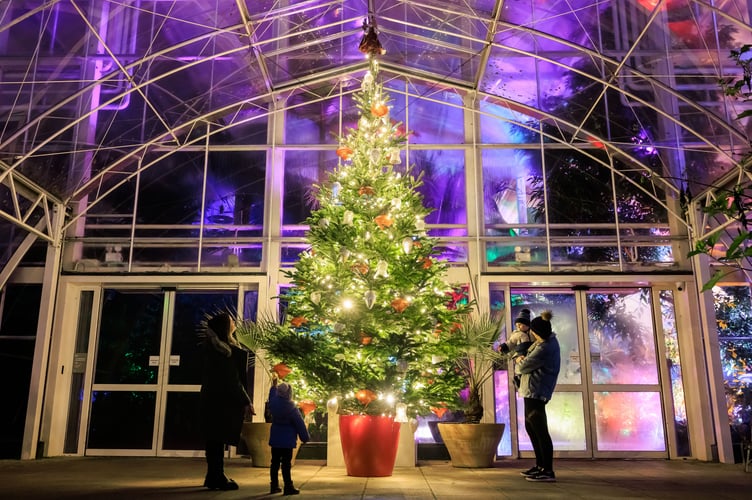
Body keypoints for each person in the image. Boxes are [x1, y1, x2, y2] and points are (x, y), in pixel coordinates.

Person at [200, 312, 253, 491]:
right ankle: (216, 476)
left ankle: (214, 475)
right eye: (231, 321)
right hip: (220, 404)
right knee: (216, 439)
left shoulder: (215, 349)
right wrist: (246, 400)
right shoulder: (223, 352)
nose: (234, 323)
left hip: (214, 402)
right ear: (224, 327)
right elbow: (232, 380)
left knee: (214, 440)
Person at [516, 310, 560, 482]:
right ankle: (540, 465)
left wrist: (520, 360)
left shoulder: (544, 347)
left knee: (539, 429)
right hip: (532, 390)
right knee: (531, 427)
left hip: (536, 391)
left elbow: (524, 366)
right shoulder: (546, 342)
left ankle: (547, 470)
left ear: (536, 332)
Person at [268, 379, 310, 495]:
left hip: (275, 439)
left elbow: (271, 396)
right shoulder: (292, 409)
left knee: (274, 463)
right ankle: (288, 486)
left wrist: (273, 386)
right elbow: (300, 424)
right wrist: (305, 438)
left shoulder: (273, 404)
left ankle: (274, 485)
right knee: (286, 464)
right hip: (287, 442)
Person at [498, 308, 533, 389]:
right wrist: (503, 347)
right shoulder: (516, 334)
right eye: (518, 325)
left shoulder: (532, 333)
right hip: (520, 353)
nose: (519, 327)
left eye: (522, 325)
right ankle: (518, 379)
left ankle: (524, 382)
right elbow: (510, 342)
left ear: (527, 325)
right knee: (520, 368)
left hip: (530, 353)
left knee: (528, 370)